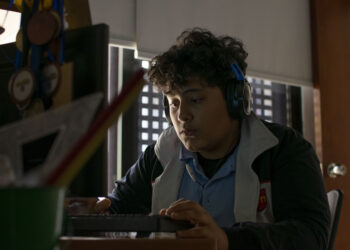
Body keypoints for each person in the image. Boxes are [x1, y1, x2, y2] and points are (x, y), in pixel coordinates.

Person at [104, 28, 330, 250]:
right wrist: (94, 208)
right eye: (173, 103)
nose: (182, 115)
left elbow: (311, 236)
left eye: (195, 100)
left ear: (235, 100)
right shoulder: (160, 155)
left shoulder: (283, 150)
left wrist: (226, 240)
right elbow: (115, 209)